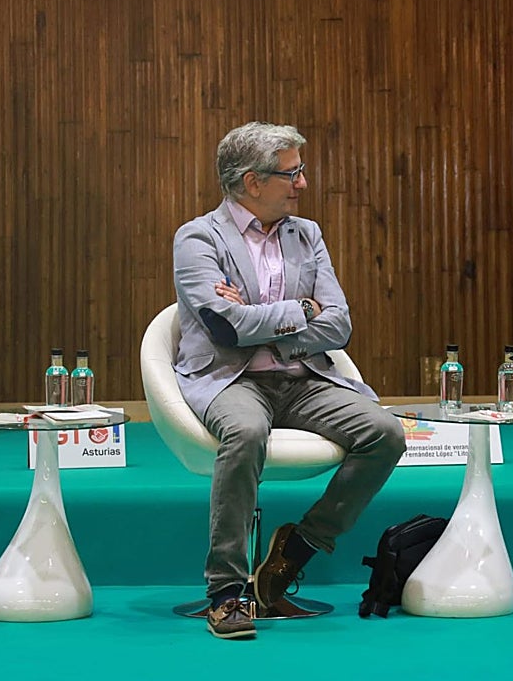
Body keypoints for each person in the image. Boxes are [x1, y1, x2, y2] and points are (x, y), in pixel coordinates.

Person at [173, 122, 405, 640]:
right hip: (230, 380)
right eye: (292, 173)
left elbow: (339, 324)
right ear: (252, 182)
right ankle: (226, 593)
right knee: (247, 433)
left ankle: (298, 548)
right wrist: (302, 310)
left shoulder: (308, 234)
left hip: (303, 378)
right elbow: (222, 328)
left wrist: (270, 327)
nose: (302, 183)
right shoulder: (197, 238)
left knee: (385, 434)